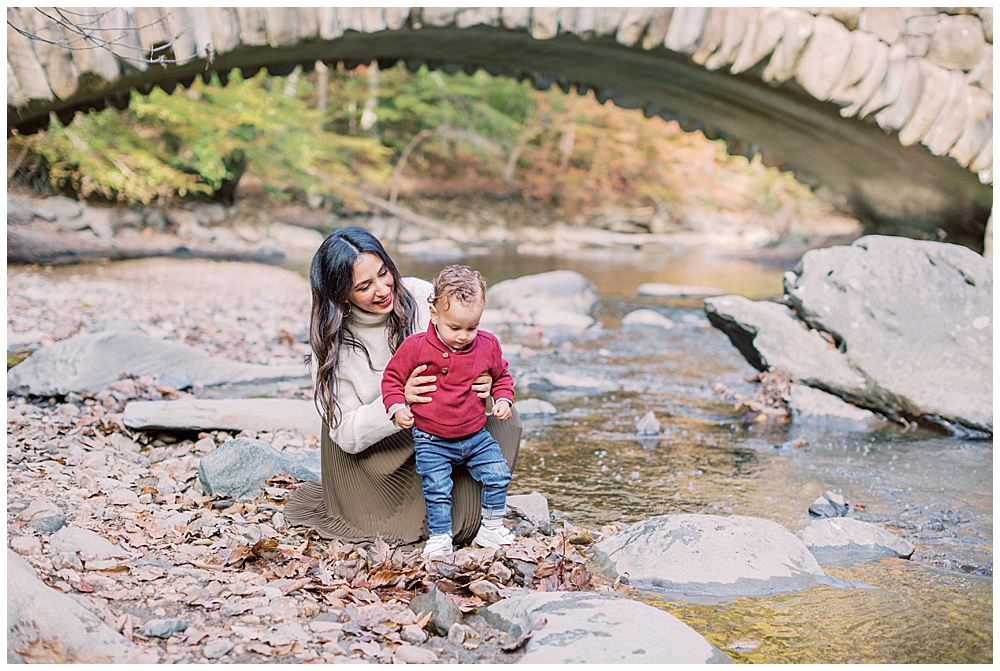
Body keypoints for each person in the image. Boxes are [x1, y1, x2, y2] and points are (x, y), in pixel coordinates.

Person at [284, 227, 521, 548]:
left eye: (384, 274)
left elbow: (470, 336)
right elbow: (345, 433)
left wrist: (485, 381)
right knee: (449, 529)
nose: (382, 289)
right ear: (341, 294)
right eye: (364, 286)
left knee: (507, 419)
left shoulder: (420, 296)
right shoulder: (333, 347)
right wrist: (397, 403)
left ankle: (467, 511)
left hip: (439, 430)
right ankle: (425, 516)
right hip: (376, 457)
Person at [382, 265, 516, 557]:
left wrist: (502, 398)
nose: (464, 336)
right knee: (437, 488)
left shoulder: (488, 344)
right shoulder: (416, 347)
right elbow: (392, 378)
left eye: (472, 327)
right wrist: (396, 407)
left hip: (475, 435)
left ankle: (491, 526)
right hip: (432, 438)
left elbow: (502, 375)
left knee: (498, 474)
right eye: (455, 327)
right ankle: (440, 537)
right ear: (434, 315)